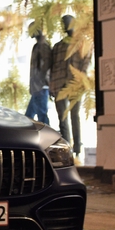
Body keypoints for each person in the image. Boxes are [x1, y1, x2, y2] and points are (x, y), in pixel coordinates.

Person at [50, 15, 91, 156]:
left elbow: (86, 63)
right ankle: (66, 147)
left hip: (75, 85)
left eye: (67, 23)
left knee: (75, 116)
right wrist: (52, 85)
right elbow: (53, 66)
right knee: (62, 118)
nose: (64, 26)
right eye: (63, 24)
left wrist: (81, 80)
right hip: (59, 84)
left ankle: (78, 148)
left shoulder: (82, 44)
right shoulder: (57, 46)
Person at [24, 22, 51, 124]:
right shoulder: (37, 46)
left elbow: (47, 64)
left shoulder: (43, 45)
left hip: (41, 87)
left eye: (31, 30)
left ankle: (47, 138)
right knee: (28, 116)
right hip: (36, 88)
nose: (29, 33)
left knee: (42, 116)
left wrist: (41, 81)